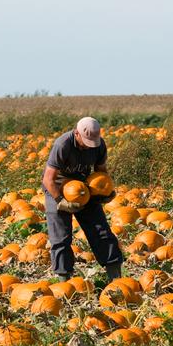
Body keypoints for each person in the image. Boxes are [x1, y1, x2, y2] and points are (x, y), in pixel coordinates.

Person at [42, 116, 123, 281]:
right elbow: (48, 179)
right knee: (61, 237)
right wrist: (60, 201)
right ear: (76, 133)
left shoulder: (98, 146)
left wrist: (105, 191)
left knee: (101, 230)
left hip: (82, 188)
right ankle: (64, 281)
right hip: (57, 189)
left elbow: (100, 171)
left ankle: (116, 278)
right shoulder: (62, 144)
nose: (88, 146)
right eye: (85, 141)